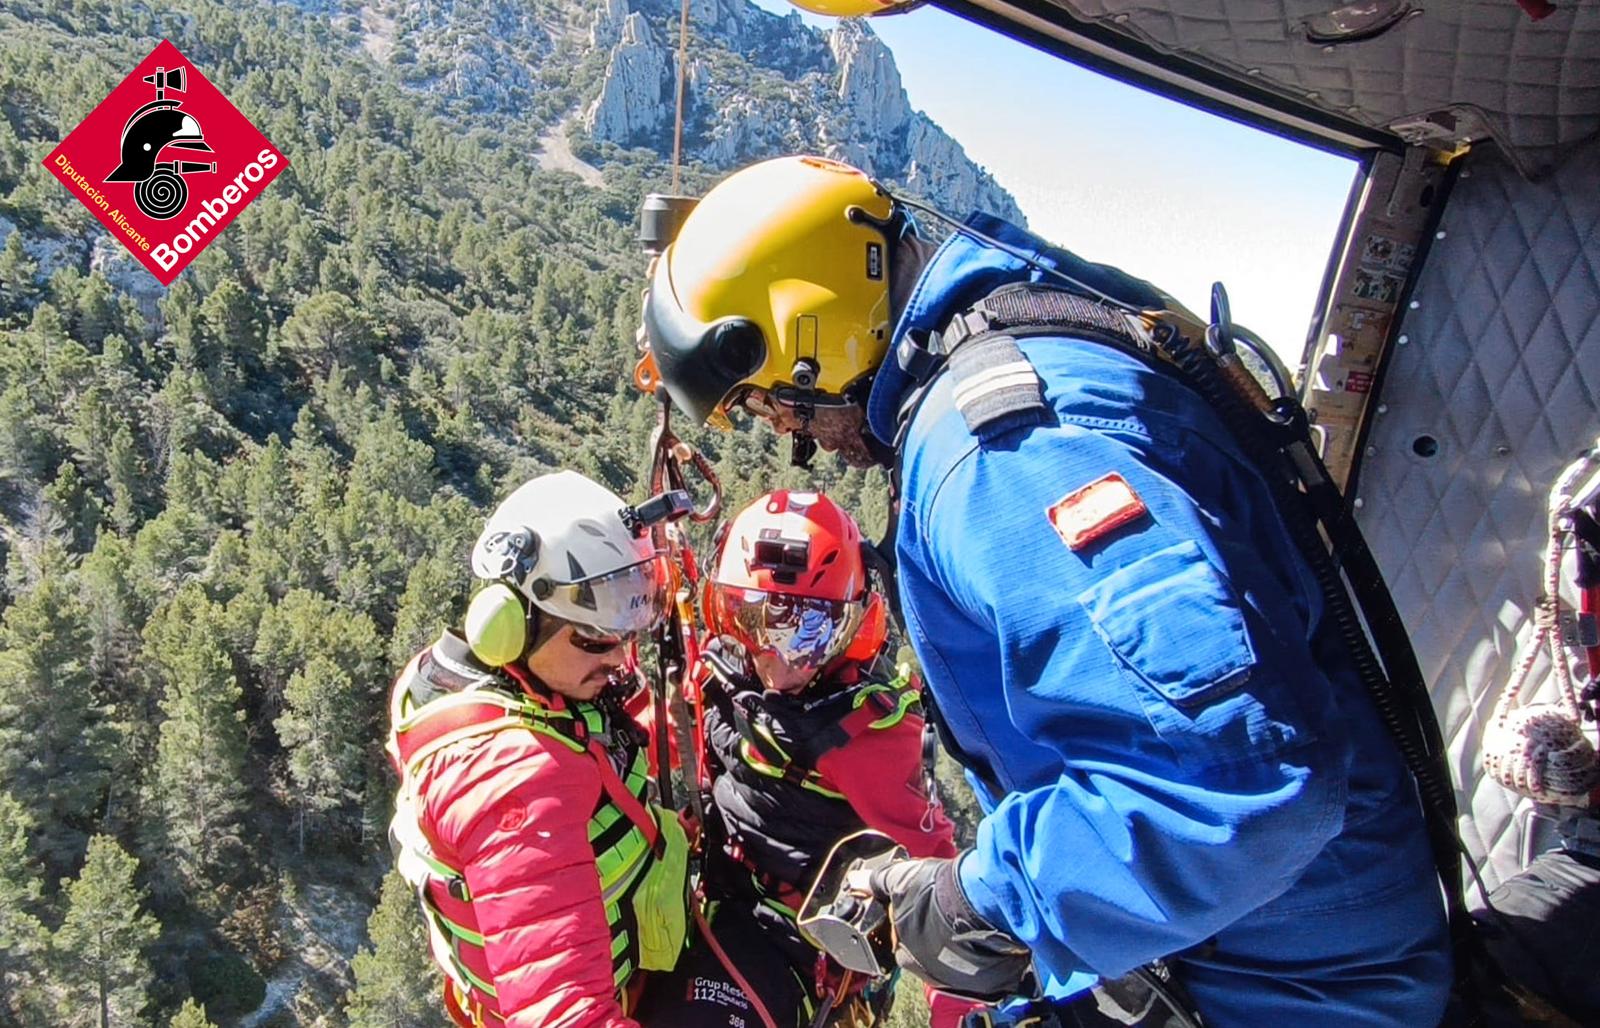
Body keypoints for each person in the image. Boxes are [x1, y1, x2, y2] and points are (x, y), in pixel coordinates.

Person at [634, 155, 1452, 1026]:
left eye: (777, 408)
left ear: (811, 339)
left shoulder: (1005, 456)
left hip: (1276, 988)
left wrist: (979, 905)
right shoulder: (1038, 342)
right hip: (1239, 950)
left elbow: (1230, 778)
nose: (799, 436)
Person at [635, 487, 966, 1028]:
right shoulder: (722, 671)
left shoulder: (868, 736)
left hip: (793, 941)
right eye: (752, 620)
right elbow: (670, 732)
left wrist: (956, 1008)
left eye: (810, 633)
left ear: (854, 624)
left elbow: (934, 870)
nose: (778, 661)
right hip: (711, 893)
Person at [385, 470, 691, 1028]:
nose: (620, 659)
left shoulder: (460, 682)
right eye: (596, 640)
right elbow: (565, 1016)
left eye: (626, 637)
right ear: (512, 625)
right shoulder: (515, 781)